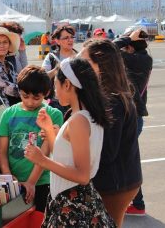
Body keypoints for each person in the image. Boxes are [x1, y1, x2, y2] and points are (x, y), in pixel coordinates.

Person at [24, 58, 115, 227]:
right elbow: (66, 158)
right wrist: (51, 131)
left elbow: (82, 175)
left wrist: (42, 160)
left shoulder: (78, 121)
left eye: (55, 84)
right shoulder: (86, 115)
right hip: (74, 198)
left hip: (72, 202)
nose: (54, 90)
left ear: (67, 84)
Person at [80, 39, 142, 227]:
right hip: (123, 180)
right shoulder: (114, 94)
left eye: (86, 63)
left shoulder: (111, 101)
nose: (81, 69)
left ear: (101, 65)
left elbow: (107, 152)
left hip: (115, 184)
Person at [0, 65, 63, 211]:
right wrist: (8, 178)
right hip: (14, 181)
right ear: (18, 91)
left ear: (46, 93)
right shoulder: (8, 114)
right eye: (25, 96)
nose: (30, 102)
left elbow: (45, 152)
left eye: (36, 98)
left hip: (42, 181)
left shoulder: (53, 114)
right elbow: (2, 151)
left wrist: (31, 182)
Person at [113, 29, 152, 216]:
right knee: (126, 158)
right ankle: (136, 202)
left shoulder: (138, 59)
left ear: (129, 46)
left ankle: (137, 203)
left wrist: (125, 38)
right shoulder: (141, 58)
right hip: (133, 116)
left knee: (126, 159)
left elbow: (110, 49)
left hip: (132, 117)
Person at [42, 25, 77, 114]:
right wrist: (56, 70)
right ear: (57, 41)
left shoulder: (79, 56)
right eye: (66, 38)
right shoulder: (51, 57)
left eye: (72, 37)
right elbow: (42, 77)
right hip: (56, 102)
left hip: (76, 102)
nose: (70, 40)